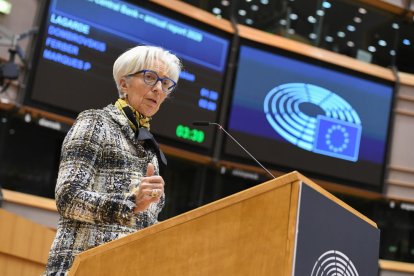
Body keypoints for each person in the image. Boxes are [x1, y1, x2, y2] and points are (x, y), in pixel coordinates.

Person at [43, 45, 182, 275]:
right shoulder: (95, 122)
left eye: (166, 83)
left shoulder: (147, 146)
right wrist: (129, 203)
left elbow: (141, 222)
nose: (158, 89)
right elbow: (68, 197)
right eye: (150, 77)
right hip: (80, 268)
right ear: (124, 83)